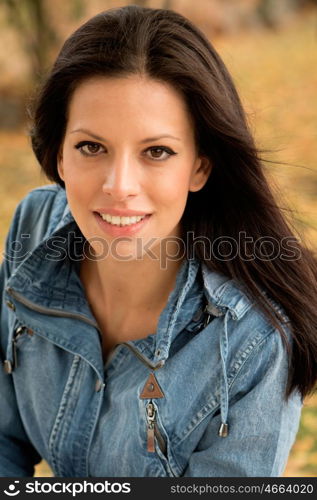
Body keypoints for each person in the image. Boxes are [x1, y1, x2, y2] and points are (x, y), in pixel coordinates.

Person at [0, 5, 316, 478]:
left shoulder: (255, 341)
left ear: (199, 167)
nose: (119, 185)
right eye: (91, 147)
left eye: (157, 152)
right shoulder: (34, 224)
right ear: (58, 156)